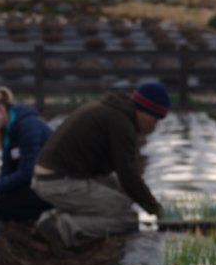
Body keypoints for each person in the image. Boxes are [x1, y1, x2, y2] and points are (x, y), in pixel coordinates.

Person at [31, 82, 170, 254]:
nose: (154, 125)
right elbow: (129, 176)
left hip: (55, 175)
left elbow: (123, 178)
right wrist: (156, 209)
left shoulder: (113, 111)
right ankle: (63, 227)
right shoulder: (121, 123)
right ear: (143, 109)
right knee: (127, 216)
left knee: (116, 191)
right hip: (58, 181)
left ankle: (49, 219)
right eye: (154, 117)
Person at [0, 86, 53, 222]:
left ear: (0, 109)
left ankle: (51, 216)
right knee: (2, 201)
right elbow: (7, 171)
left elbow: (27, 172)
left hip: (53, 184)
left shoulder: (28, 127)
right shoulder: (9, 133)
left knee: (4, 207)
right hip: (37, 182)